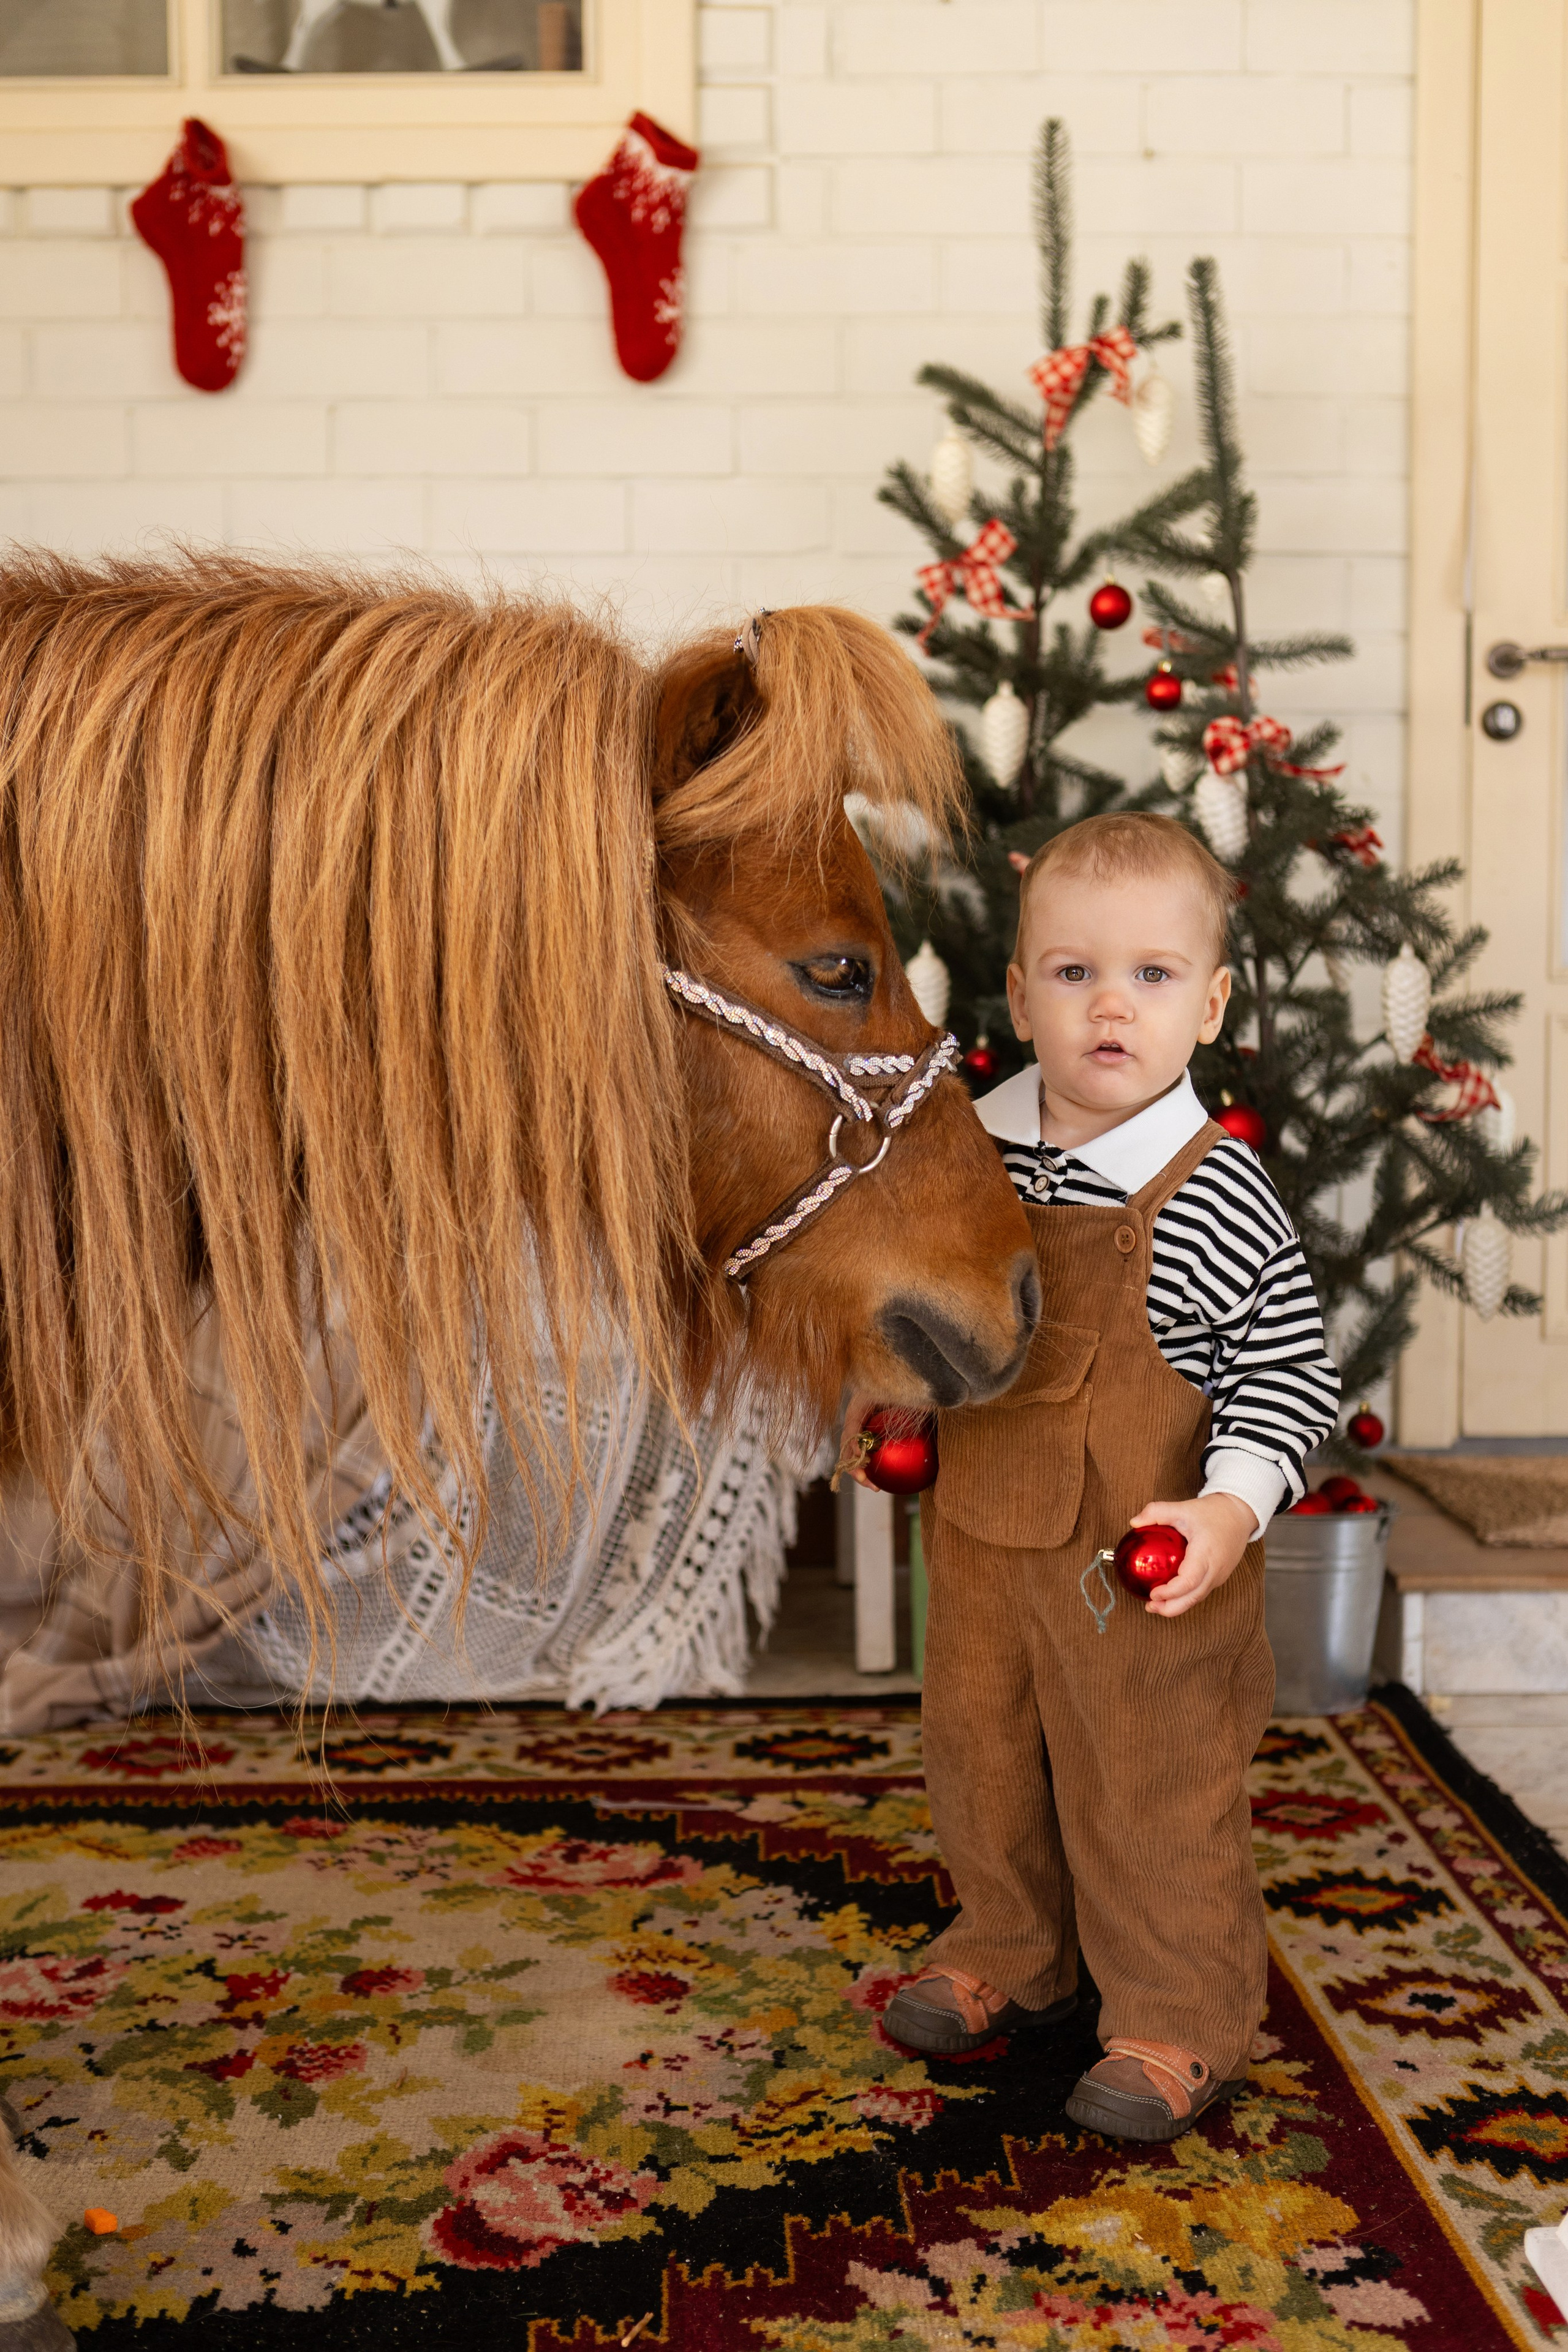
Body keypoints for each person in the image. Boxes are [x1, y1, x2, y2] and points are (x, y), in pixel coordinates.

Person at [846, 812, 1338, 2143]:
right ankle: (1011, 1948)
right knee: (983, 1756)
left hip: (1144, 1571)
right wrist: (891, 1400)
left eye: (1151, 977)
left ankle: (1177, 2014)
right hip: (984, 1550)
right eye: (1070, 974)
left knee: (1147, 1786)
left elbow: (1288, 1377)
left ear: (1211, 1002)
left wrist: (1228, 1510)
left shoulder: (1212, 1190)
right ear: (1016, 994)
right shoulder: (964, 1157)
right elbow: (925, 1312)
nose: (1108, 1006)